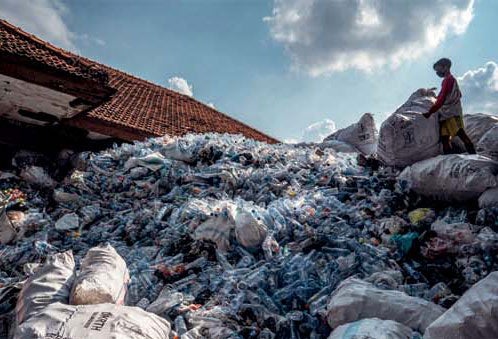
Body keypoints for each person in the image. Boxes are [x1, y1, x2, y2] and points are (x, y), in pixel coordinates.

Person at [423, 58, 476, 154]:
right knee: (445, 139)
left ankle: (474, 156)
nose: (437, 73)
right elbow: (458, 94)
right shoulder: (451, 80)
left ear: (445, 67)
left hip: (452, 114)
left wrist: (430, 112)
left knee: (461, 135)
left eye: (438, 70)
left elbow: (442, 99)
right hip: (446, 114)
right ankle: (450, 161)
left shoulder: (448, 80)